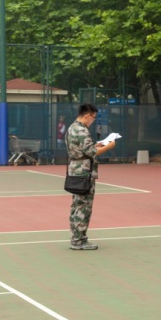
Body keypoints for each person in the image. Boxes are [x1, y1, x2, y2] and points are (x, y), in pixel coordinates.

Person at [66, 104, 117, 250]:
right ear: (88, 115)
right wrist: (108, 146)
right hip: (84, 172)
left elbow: (83, 149)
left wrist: (97, 145)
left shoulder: (72, 128)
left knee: (77, 205)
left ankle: (77, 237)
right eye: (93, 118)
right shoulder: (82, 131)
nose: (93, 121)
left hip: (75, 170)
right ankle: (79, 240)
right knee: (84, 207)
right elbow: (91, 152)